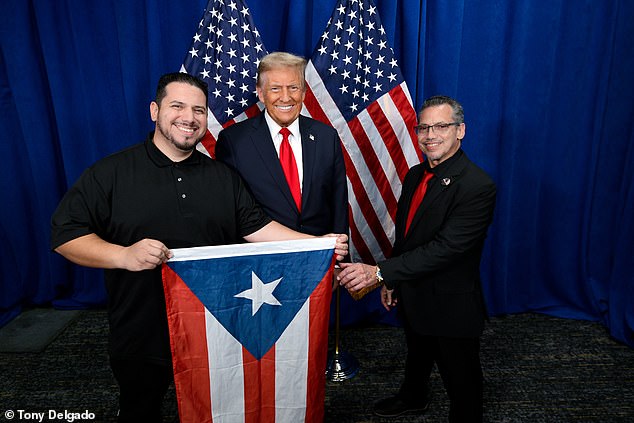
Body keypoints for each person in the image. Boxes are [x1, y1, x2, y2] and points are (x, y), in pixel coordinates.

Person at [50, 72, 348, 422]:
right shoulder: (111, 173)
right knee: (139, 409)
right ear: (154, 110)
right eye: (177, 106)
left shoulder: (222, 177)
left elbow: (258, 228)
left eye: (199, 110)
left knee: (216, 411)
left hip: (215, 331)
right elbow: (66, 237)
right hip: (141, 333)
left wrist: (317, 244)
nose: (188, 118)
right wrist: (124, 255)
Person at [337, 95, 496, 422]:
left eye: (441, 126)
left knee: (462, 378)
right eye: (423, 127)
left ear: (460, 130)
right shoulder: (414, 175)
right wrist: (393, 280)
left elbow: (446, 248)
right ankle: (414, 397)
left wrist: (380, 272)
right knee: (417, 353)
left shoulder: (477, 185)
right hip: (413, 290)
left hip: (450, 302)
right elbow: (408, 237)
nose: (430, 135)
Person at [215, 51, 348, 237]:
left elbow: (338, 204)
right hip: (262, 261)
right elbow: (231, 211)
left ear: (303, 93)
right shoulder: (233, 141)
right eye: (275, 89)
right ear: (261, 94)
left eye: (293, 88)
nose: (286, 98)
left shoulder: (326, 137)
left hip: (320, 258)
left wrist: (339, 260)